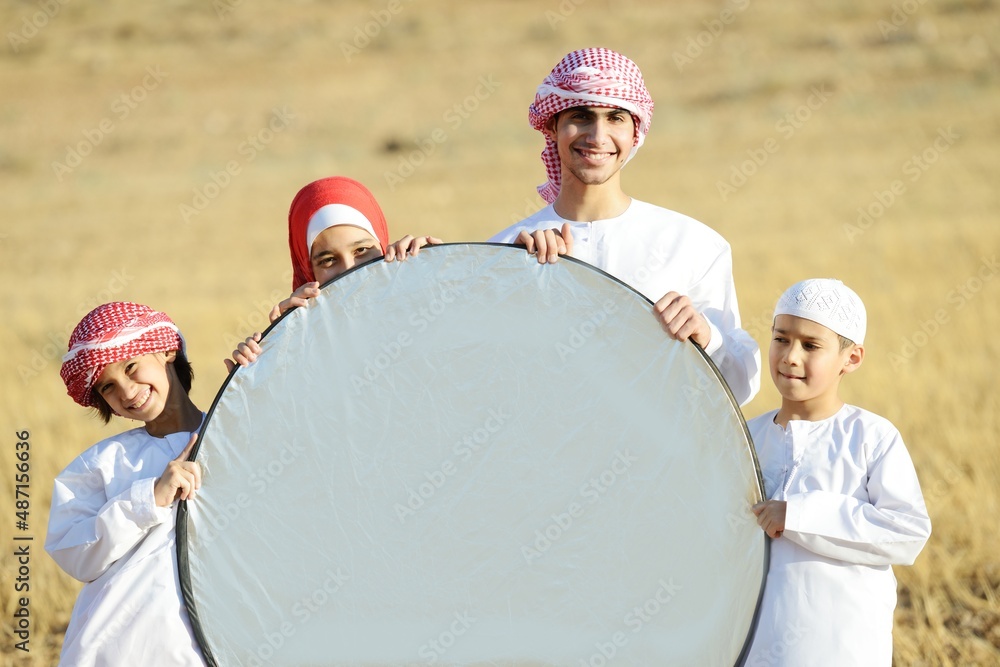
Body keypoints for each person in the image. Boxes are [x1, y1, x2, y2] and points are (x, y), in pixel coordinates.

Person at [489, 47, 760, 405]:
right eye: (581, 116)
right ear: (553, 125)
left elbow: (738, 390)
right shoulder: (506, 252)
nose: (597, 137)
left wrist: (706, 337)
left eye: (616, 118)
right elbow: (484, 384)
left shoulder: (692, 244)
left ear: (636, 133)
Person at [746, 278, 931, 665]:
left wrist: (798, 514)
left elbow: (907, 532)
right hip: (754, 647)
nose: (790, 356)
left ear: (852, 358)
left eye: (811, 346)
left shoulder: (871, 437)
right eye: (781, 338)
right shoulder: (746, 437)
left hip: (840, 648)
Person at [46, 302, 206, 665]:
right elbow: (74, 552)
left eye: (131, 367)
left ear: (167, 350)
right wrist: (148, 499)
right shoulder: (102, 463)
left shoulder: (234, 433)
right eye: (108, 388)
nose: (127, 391)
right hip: (119, 651)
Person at [226, 176, 440, 369]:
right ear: (308, 270)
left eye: (362, 251)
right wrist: (272, 360)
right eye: (328, 260)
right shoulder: (298, 345)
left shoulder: (420, 307)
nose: (349, 270)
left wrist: (441, 277)